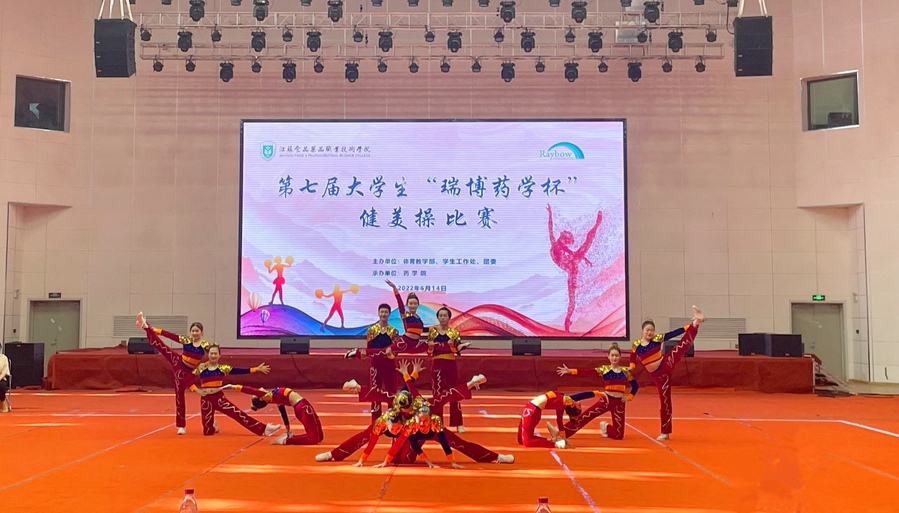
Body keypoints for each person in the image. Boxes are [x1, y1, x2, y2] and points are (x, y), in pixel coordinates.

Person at [630, 305, 705, 440]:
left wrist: (689, 326)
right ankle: (666, 431)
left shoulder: (657, 338)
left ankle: (696, 323)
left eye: (652, 330)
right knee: (664, 401)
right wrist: (632, 365)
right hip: (658, 376)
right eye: (647, 330)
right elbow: (632, 355)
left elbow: (673, 333)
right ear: (642, 331)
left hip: (665, 364)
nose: (650, 332)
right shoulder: (636, 344)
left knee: (680, 347)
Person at [136, 311, 210, 434]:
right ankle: (181, 426)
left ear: (201, 332)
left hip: (188, 372)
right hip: (178, 362)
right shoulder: (187, 340)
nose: (194, 333)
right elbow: (171, 336)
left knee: (184, 396)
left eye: (197, 331)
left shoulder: (205, 345)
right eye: (193, 331)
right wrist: (156, 330)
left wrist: (206, 367)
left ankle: (145, 326)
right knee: (161, 346)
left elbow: (213, 355)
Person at [554, 342, 639, 442]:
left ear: (620, 357)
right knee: (585, 417)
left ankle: (605, 426)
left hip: (619, 403)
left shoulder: (625, 371)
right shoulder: (604, 369)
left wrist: (629, 396)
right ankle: (562, 432)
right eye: (612, 355)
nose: (614, 358)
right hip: (606, 400)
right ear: (608, 357)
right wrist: (571, 371)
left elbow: (635, 386)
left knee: (618, 435)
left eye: (616, 355)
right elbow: (588, 372)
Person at [191, 344, 280, 437]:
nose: (213, 356)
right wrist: (196, 390)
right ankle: (213, 424)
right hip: (206, 400)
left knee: (238, 414)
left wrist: (255, 369)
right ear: (208, 354)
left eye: (215, 354)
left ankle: (264, 429)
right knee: (208, 432)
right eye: (211, 353)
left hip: (219, 399)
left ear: (219, 355)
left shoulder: (223, 368)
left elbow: (239, 371)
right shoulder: (202, 367)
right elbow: (187, 379)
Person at [546, 205, 603, 332]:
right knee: (572, 299)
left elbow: (572, 254)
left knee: (588, 241)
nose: (565, 241)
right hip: (571, 268)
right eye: (565, 239)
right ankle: (567, 321)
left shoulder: (560, 246)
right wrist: (550, 213)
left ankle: (597, 224)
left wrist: (583, 258)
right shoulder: (557, 245)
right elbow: (550, 228)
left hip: (572, 265)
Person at [345, 303, 400, 420]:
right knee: (375, 390)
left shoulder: (394, 331)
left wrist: (388, 353)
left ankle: (393, 419)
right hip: (375, 364)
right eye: (382, 312)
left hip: (390, 365)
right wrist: (364, 353)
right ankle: (376, 420)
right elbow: (369, 350)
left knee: (391, 391)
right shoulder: (371, 330)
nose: (383, 314)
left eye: (386, 312)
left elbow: (395, 352)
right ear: (378, 313)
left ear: (389, 314)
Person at [426, 306, 472, 432]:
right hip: (437, 364)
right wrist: (433, 348)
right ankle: (437, 423)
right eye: (440, 316)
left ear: (449, 318)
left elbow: (456, 350)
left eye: (445, 316)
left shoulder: (454, 333)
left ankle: (458, 423)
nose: (442, 318)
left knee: (454, 392)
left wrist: (455, 347)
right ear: (437, 317)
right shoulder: (432, 332)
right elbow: (429, 351)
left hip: (450, 364)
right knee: (437, 394)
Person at [235, 385, 323, 445]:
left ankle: (288, 438)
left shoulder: (273, 396)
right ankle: (286, 440)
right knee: (313, 438)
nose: (259, 389)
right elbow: (251, 390)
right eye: (256, 394)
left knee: (320, 437)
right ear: (261, 398)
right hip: (302, 407)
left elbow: (283, 414)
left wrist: (287, 429)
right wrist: (234, 386)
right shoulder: (267, 396)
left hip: (303, 405)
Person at [517, 389, 600, 449]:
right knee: (521, 440)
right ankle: (554, 441)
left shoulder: (567, 401)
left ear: (572, 406)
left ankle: (555, 443)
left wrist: (595, 393)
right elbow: (559, 421)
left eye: (579, 406)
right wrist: (596, 393)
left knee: (527, 442)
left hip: (531, 411)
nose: (580, 403)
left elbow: (578, 396)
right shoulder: (562, 404)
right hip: (532, 410)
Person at [385, 279, 428, 354]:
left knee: (430, 346)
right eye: (411, 303)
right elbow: (399, 302)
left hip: (415, 344)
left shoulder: (419, 318)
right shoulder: (405, 314)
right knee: (385, 351)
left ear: (418, 304)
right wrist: (394, 288)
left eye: (415, 303)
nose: (413, 305)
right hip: (405, 341)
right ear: (407, 305)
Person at [0, 344, 10, 413]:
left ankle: (2, 402)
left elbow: (4, 372)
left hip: (1, 378)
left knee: (2, 386)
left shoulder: (4, 358)